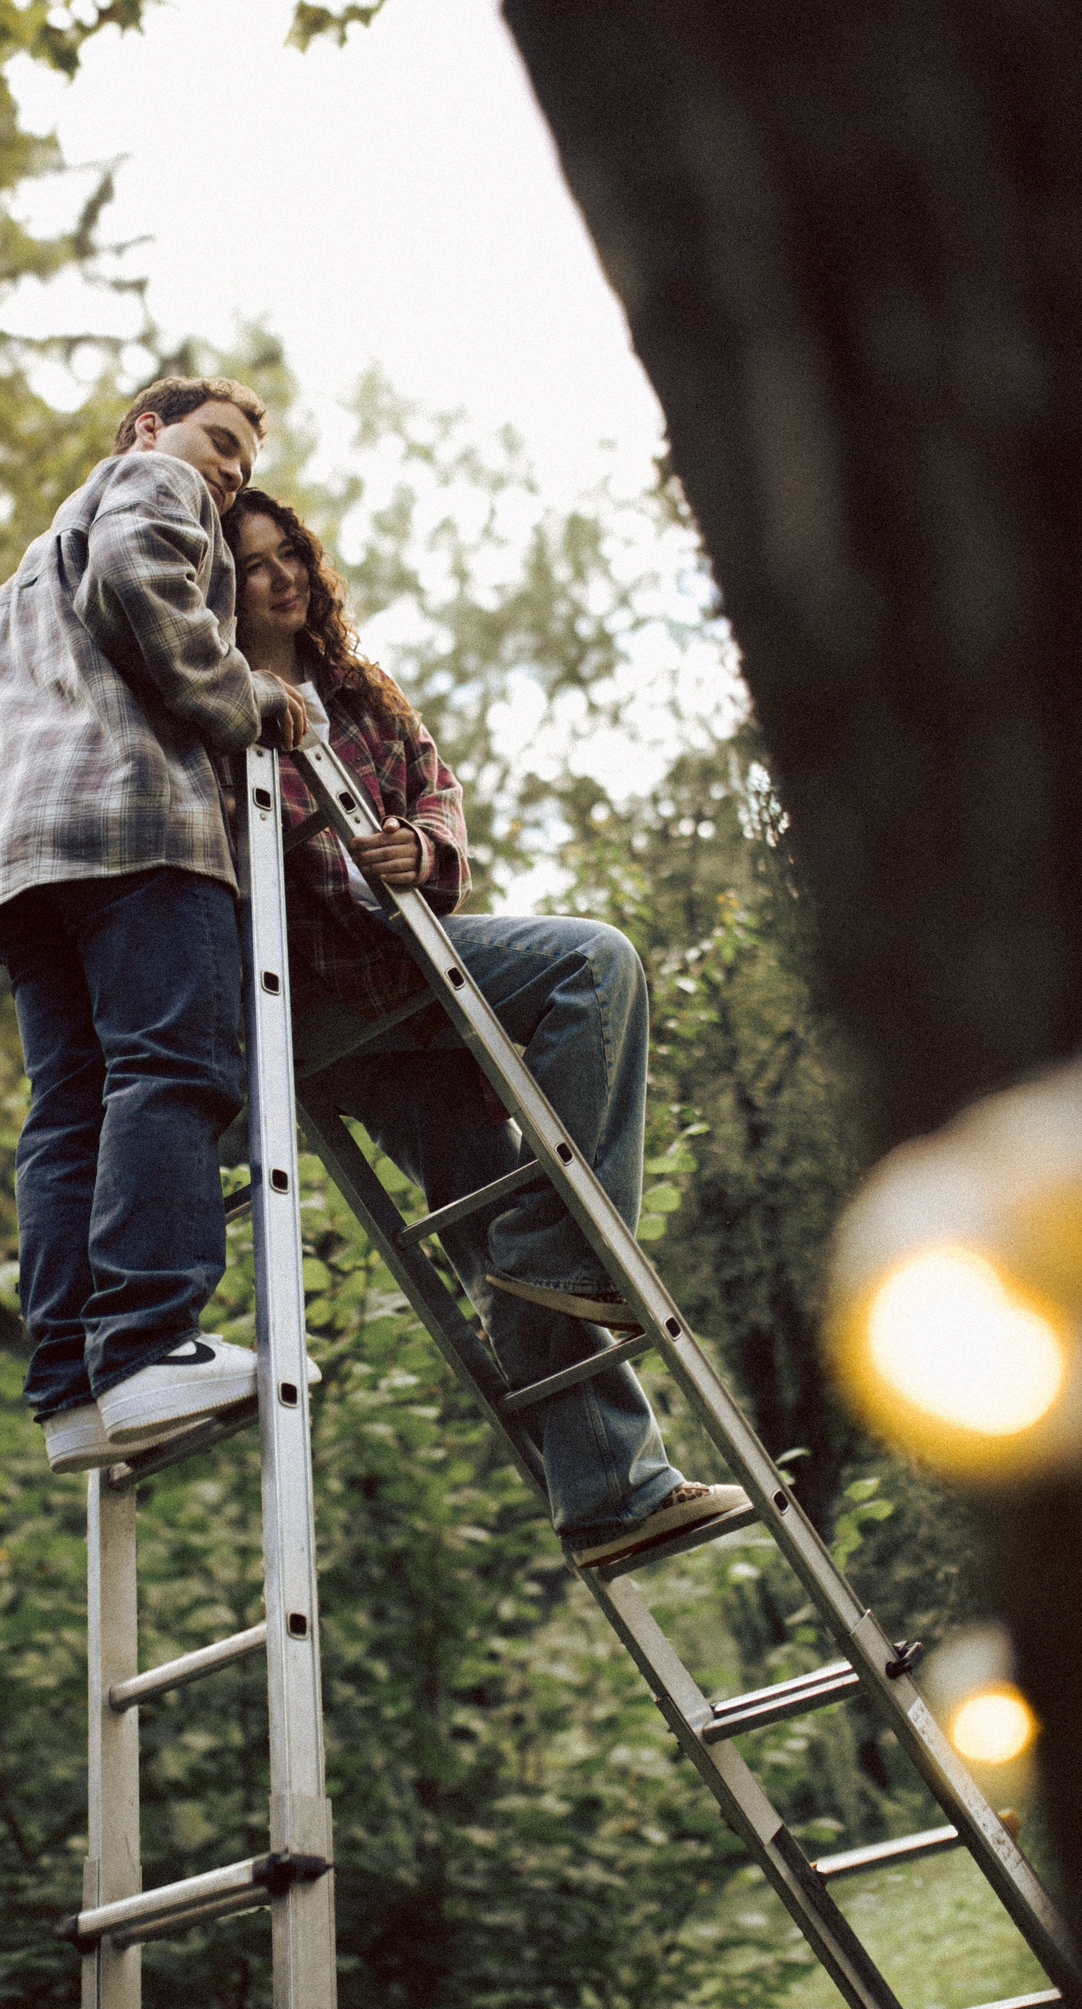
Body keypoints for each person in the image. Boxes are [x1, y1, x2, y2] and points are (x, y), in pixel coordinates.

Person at [223, 487, 747, 1568]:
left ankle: (613, 1492)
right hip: (328, 994)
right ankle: (557, 1245)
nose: (277, 577)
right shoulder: (211, 699)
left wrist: (426, 849)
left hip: (404, 966)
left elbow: (434, 788)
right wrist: (353, 862)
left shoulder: (356, 689)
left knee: (491, 1198)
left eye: (288, 557)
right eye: (251, 562)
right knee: (589, 960)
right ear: (218, 584)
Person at [0, 378, 312, 1476]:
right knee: (171, 1064)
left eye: (236, 460)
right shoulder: (146, 482)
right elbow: (141, 578)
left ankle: (71, 1388)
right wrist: (251, 701)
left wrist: (17, 796)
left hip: (20, 868)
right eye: (215, 443)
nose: (224, 472)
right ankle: (144, 1344)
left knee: (70, 1106)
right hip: (138, 831)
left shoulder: (10, 599)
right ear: (149, 428)